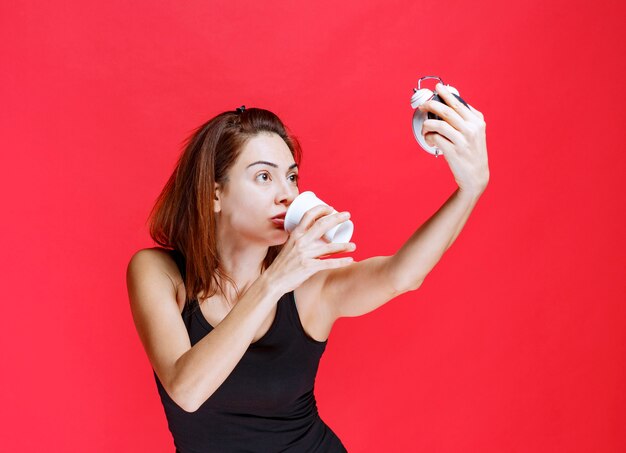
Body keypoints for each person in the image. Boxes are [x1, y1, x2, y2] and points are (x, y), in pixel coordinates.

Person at [126, 87, 489, 452]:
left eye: (292, 177)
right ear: (214, 194)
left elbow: (402, 276)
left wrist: (469, 190)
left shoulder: (309, 287)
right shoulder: (159, 271)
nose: (287, 193)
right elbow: (186, 391)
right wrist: (273, 282)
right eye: (264, 177)